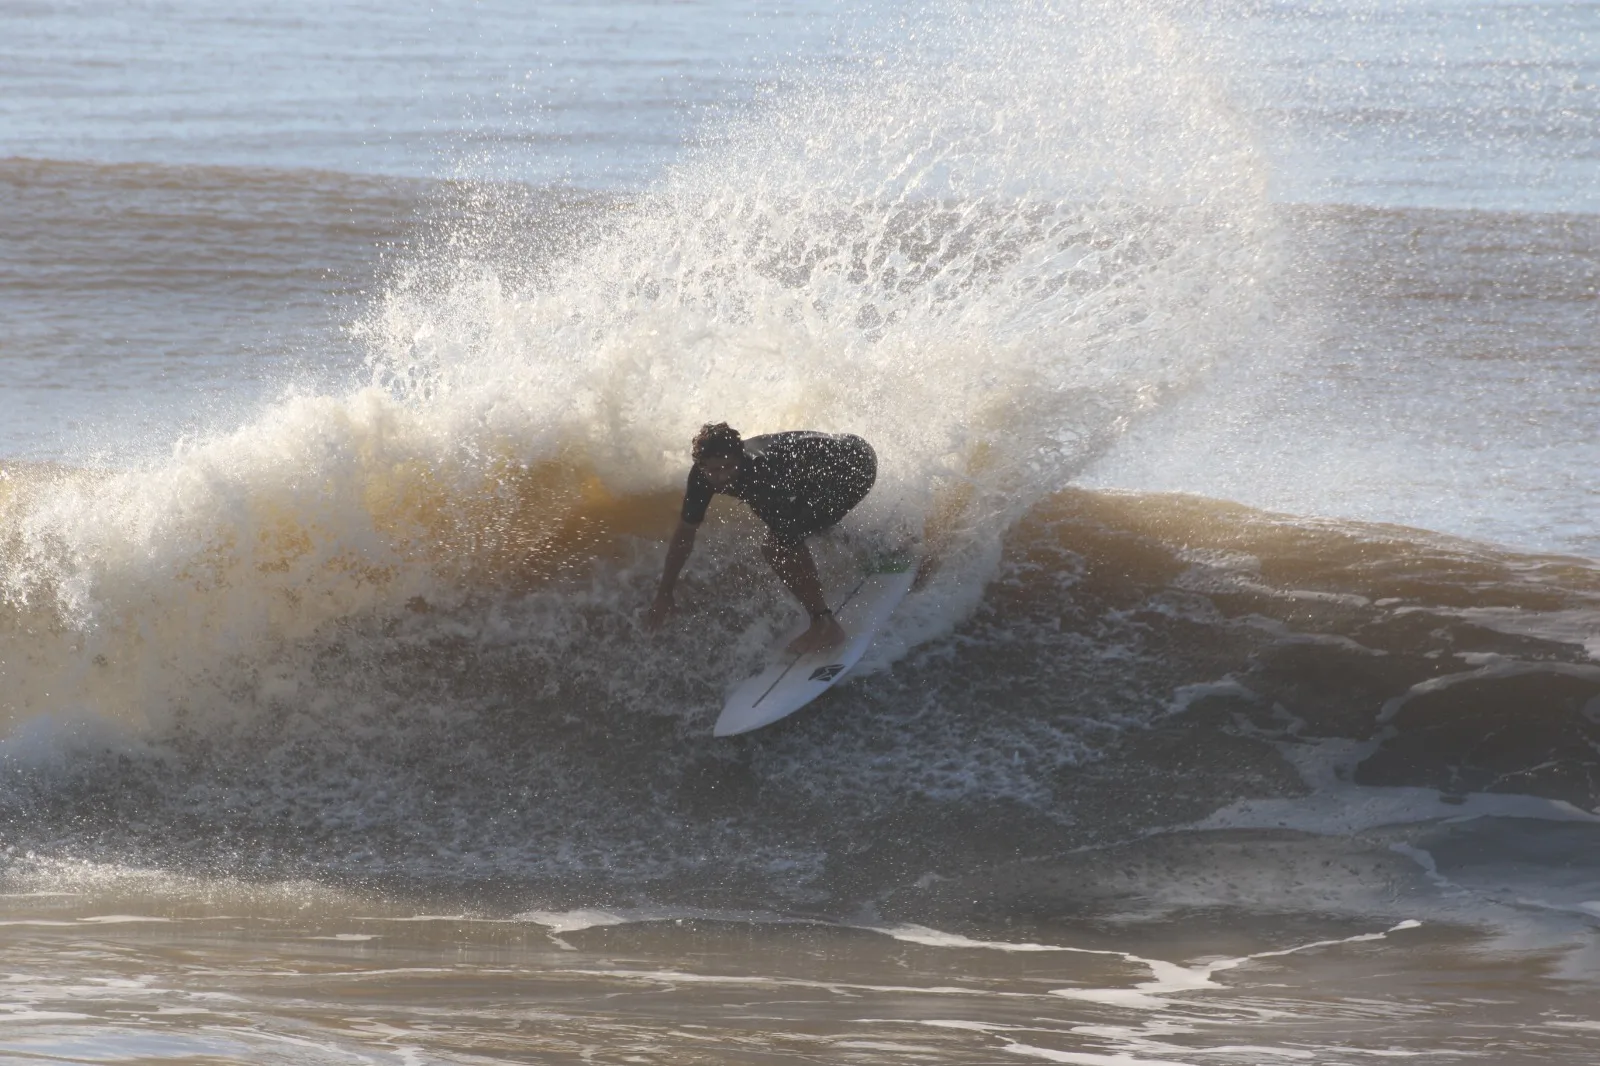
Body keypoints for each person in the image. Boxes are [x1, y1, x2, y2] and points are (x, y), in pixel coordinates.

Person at [646, 423, 877, 654]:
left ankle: (824, 623)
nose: (721, 476)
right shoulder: (701, 477)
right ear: (701, 465)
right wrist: (665, 591)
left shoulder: (760, 475)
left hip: (854, 467)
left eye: (728, 467)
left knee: (776, 547)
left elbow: (790, 544)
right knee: (800, 524)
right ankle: (871, 545)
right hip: (836, 460)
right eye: (713, 470)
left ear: (740, 458)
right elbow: (685, 533)